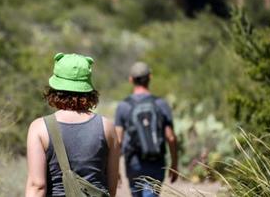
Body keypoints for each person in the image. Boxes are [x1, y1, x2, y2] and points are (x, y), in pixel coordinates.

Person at [25, 53, 120, 197]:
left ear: (55, 89)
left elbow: (37, 186)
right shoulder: (107, 127)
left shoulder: (39, 128)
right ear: (88, 89)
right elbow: (112, 186)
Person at [115, 62, 178, 197]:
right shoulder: (160, 104)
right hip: (157, 162)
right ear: (150, 77)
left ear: (131, 79)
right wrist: (175, 164)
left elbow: (118, 140)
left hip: (133, 163)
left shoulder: (123, 106)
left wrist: (115, 169)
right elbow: (171, 137)